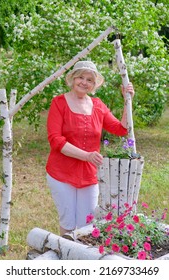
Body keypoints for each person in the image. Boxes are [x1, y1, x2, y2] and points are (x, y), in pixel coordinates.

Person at [46, 60, 135, 236]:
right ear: (72, 78)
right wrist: (86, 155)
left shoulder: (98, 105)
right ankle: (67, 260)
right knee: (69, 223)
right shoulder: (59, 103)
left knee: (87, 224)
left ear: (94, 85)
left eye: (89, 80)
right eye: (80, 77)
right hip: (62, 172)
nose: (84, 82)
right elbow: (56, 140)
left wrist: (127, 100)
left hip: (89, 174)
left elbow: (121, 129)